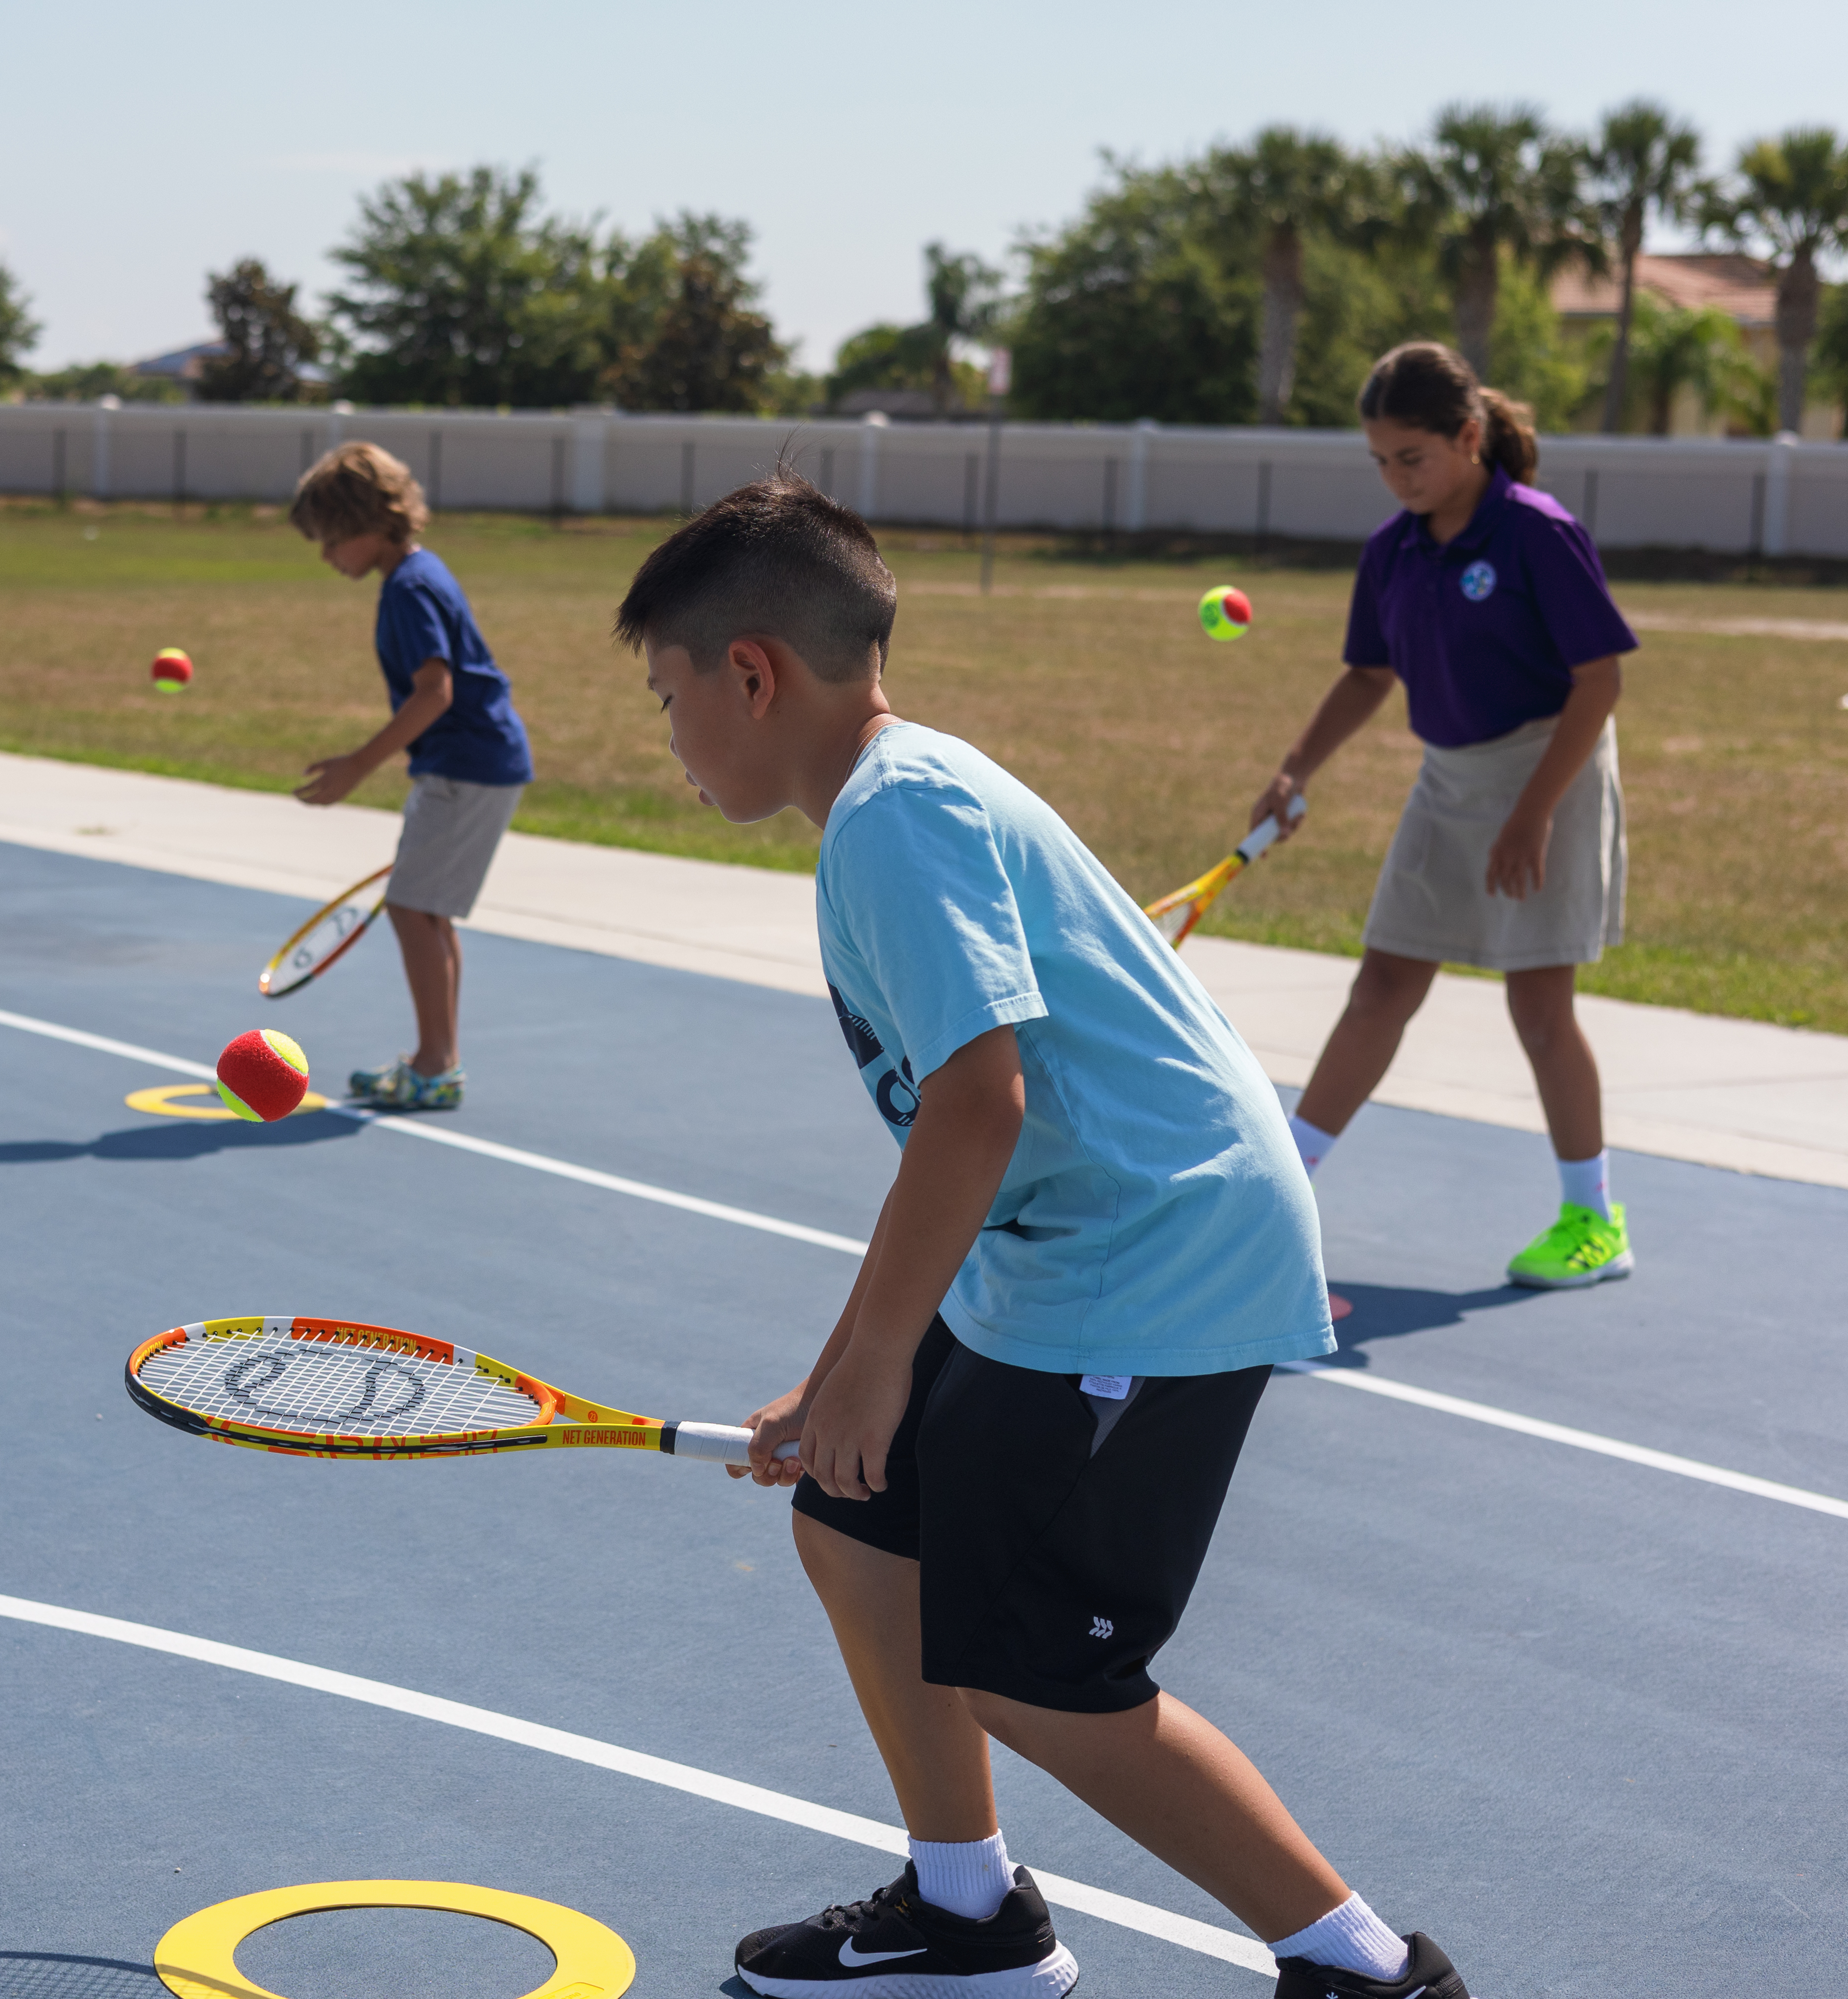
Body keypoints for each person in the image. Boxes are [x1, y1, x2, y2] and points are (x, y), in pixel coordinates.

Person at [619, 469, 1470, 1999]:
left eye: (670, 697)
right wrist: (840, 1381)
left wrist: (879, 1365)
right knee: (857, 1524)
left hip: (1149, 1263)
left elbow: (978, 1106)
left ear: (751, 674)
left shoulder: (897, 818)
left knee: (1040, 1673)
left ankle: (1370, 1972)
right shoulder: (893, 801)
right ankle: (968, 1914)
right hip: (1068, 1248)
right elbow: (975, 1130)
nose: (669, 738)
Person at [1254, 343, 1639, 1290]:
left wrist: (1533, 814)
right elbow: (1370, 673)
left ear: (1470, 439)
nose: (1395, 478)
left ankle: (1594, 1221)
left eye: (1411, 459)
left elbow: (1601, 684)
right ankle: (1279, 1199)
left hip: (1553, 766)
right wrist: (1295, 767)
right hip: (1450, 778)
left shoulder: (1537, 533)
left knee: (1539, 1005)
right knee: (1383, 983)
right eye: (1380, 461)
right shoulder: (1393, 549)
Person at [285, 440, 535, 1110]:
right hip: (480, 763)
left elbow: (435, 691)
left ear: (365, 524)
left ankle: (432, 1066)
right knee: (427, 911)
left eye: (330, 539)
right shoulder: (419, 576)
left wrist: (357, 767)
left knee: (411, 908)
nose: (326, 556)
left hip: (467, 765)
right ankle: (438, 1060)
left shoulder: (408, 589)